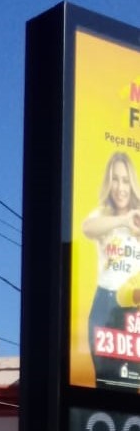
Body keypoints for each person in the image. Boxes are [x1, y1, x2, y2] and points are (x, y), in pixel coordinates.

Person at [81, 151, 140, 388]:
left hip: (133, 309)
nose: (120, 187)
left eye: (125, 180)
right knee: (105, 383)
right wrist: (123, 220)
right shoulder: (103, 215)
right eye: (115, 179)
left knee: (129, 385)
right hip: (104, 304)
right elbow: (87, 228)